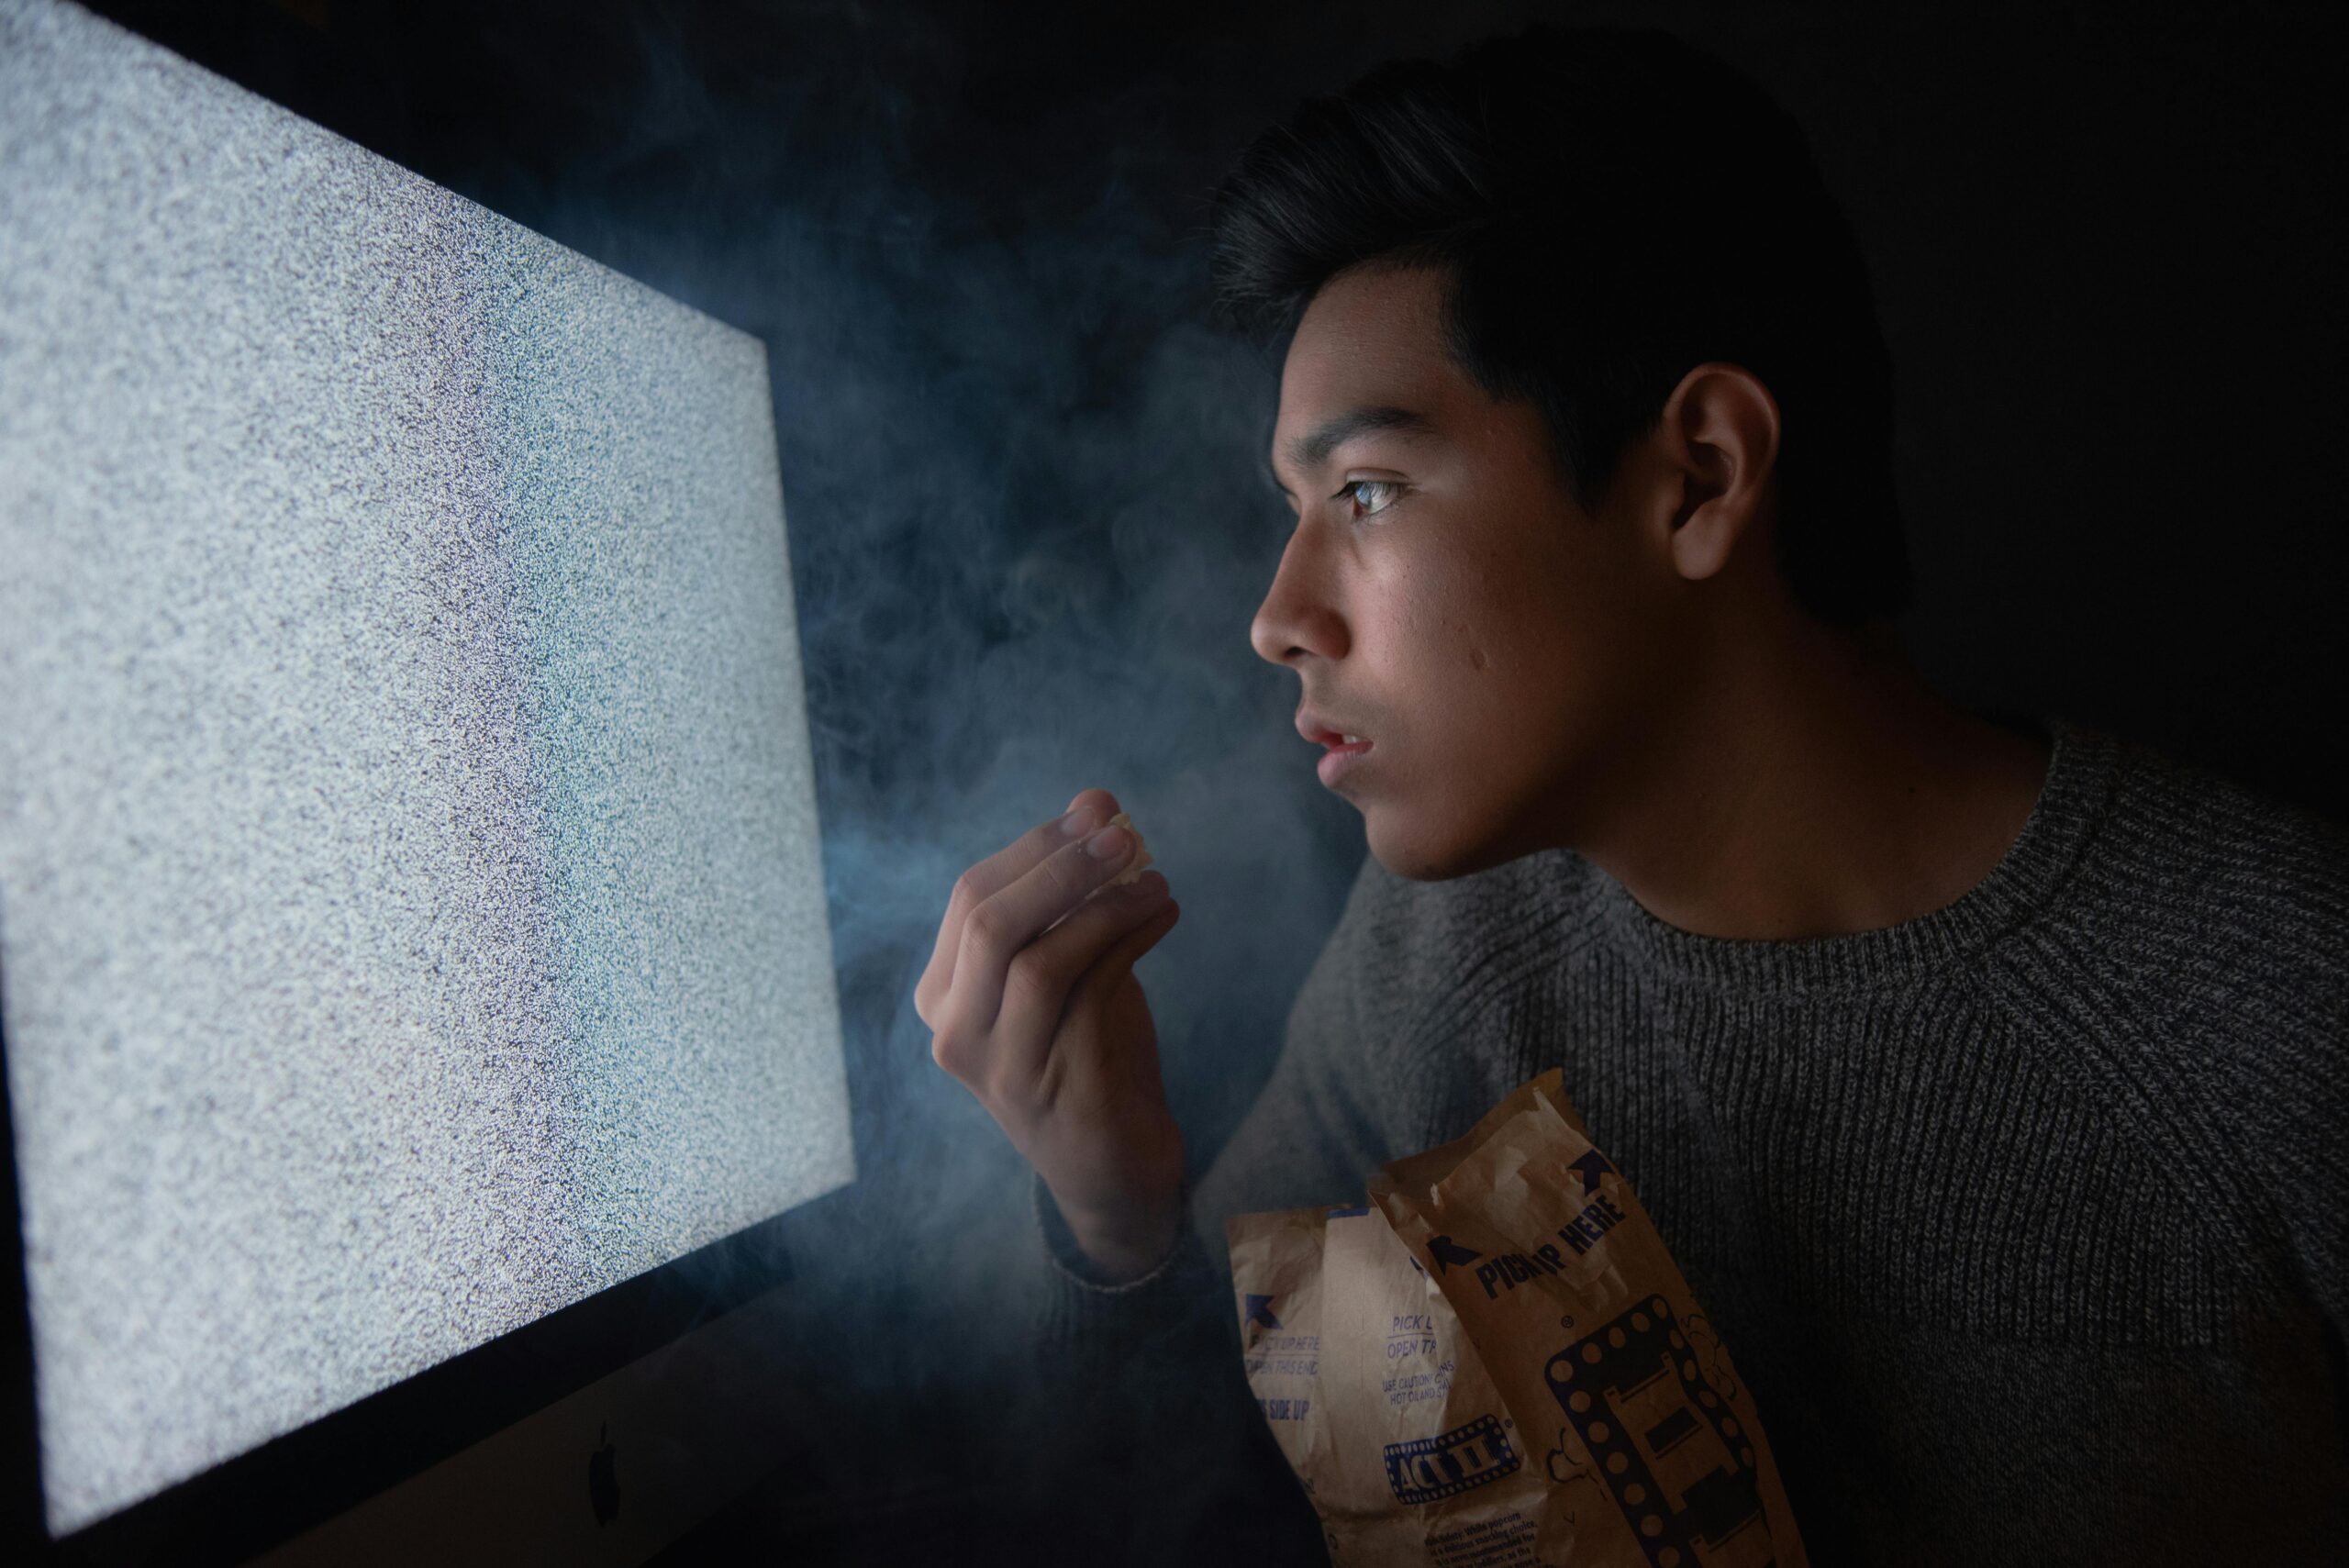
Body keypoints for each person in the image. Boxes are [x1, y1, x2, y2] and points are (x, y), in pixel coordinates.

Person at [916, 23, 2349, 1563]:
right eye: (1294, 508)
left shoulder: (2282, 1017)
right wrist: (1115, 1223)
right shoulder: (1437, 953)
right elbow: (1215, 1500)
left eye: (1368, 492)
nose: (1277, 617)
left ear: (1700, 476)